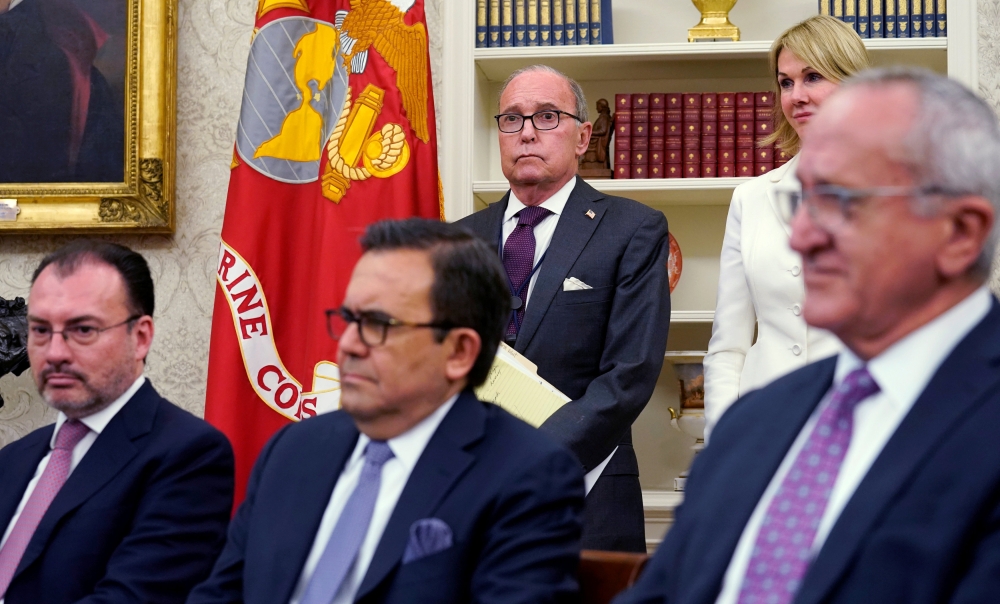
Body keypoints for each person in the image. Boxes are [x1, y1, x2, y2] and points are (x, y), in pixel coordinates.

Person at [614, 67, 1000, 604]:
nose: (802, 236)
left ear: (958, 233)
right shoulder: (755, 419)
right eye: (804, 201)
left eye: (842, 200)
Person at [188, 219, 586, 604]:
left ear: (459, 352)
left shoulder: (527, 476)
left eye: (378, 324)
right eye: (348, 320)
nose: (348, 346)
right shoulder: (295, 448)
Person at [457, 64, 670, 552]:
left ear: (582, 136)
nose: (527, 132)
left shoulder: (632, 230)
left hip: (587, 493)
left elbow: (630, 373)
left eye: (547, 116)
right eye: (511, 119)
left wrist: (530, 458)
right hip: (470, 497)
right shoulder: (456, 238)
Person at [0, 240, 234, 603]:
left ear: (140, 338)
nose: (56, 353)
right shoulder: (14, 459)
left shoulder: (189, 455)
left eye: (83, 330)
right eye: (41, 330)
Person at [703, 16, 871, 440]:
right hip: (765, 430)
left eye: (812, 77)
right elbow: (728, 346)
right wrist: (724, 441)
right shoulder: (751, 198)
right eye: (785, 82)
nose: (797, 96)